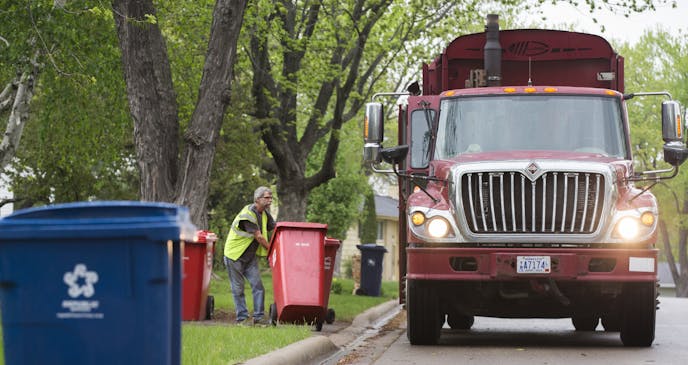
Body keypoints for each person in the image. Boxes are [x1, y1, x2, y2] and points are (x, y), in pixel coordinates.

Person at [223, 186, 276, 325]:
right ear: (257, 199)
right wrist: (272, 250)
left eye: (271, 197)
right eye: (267, 198)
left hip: (249, 257)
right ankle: (242, 318)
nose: (270, 200)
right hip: (234, 256)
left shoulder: (264, 214)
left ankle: (258, 318)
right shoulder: (247, 215)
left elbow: (275, 228)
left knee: (258, 286)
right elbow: (259, 237)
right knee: (238, 288)